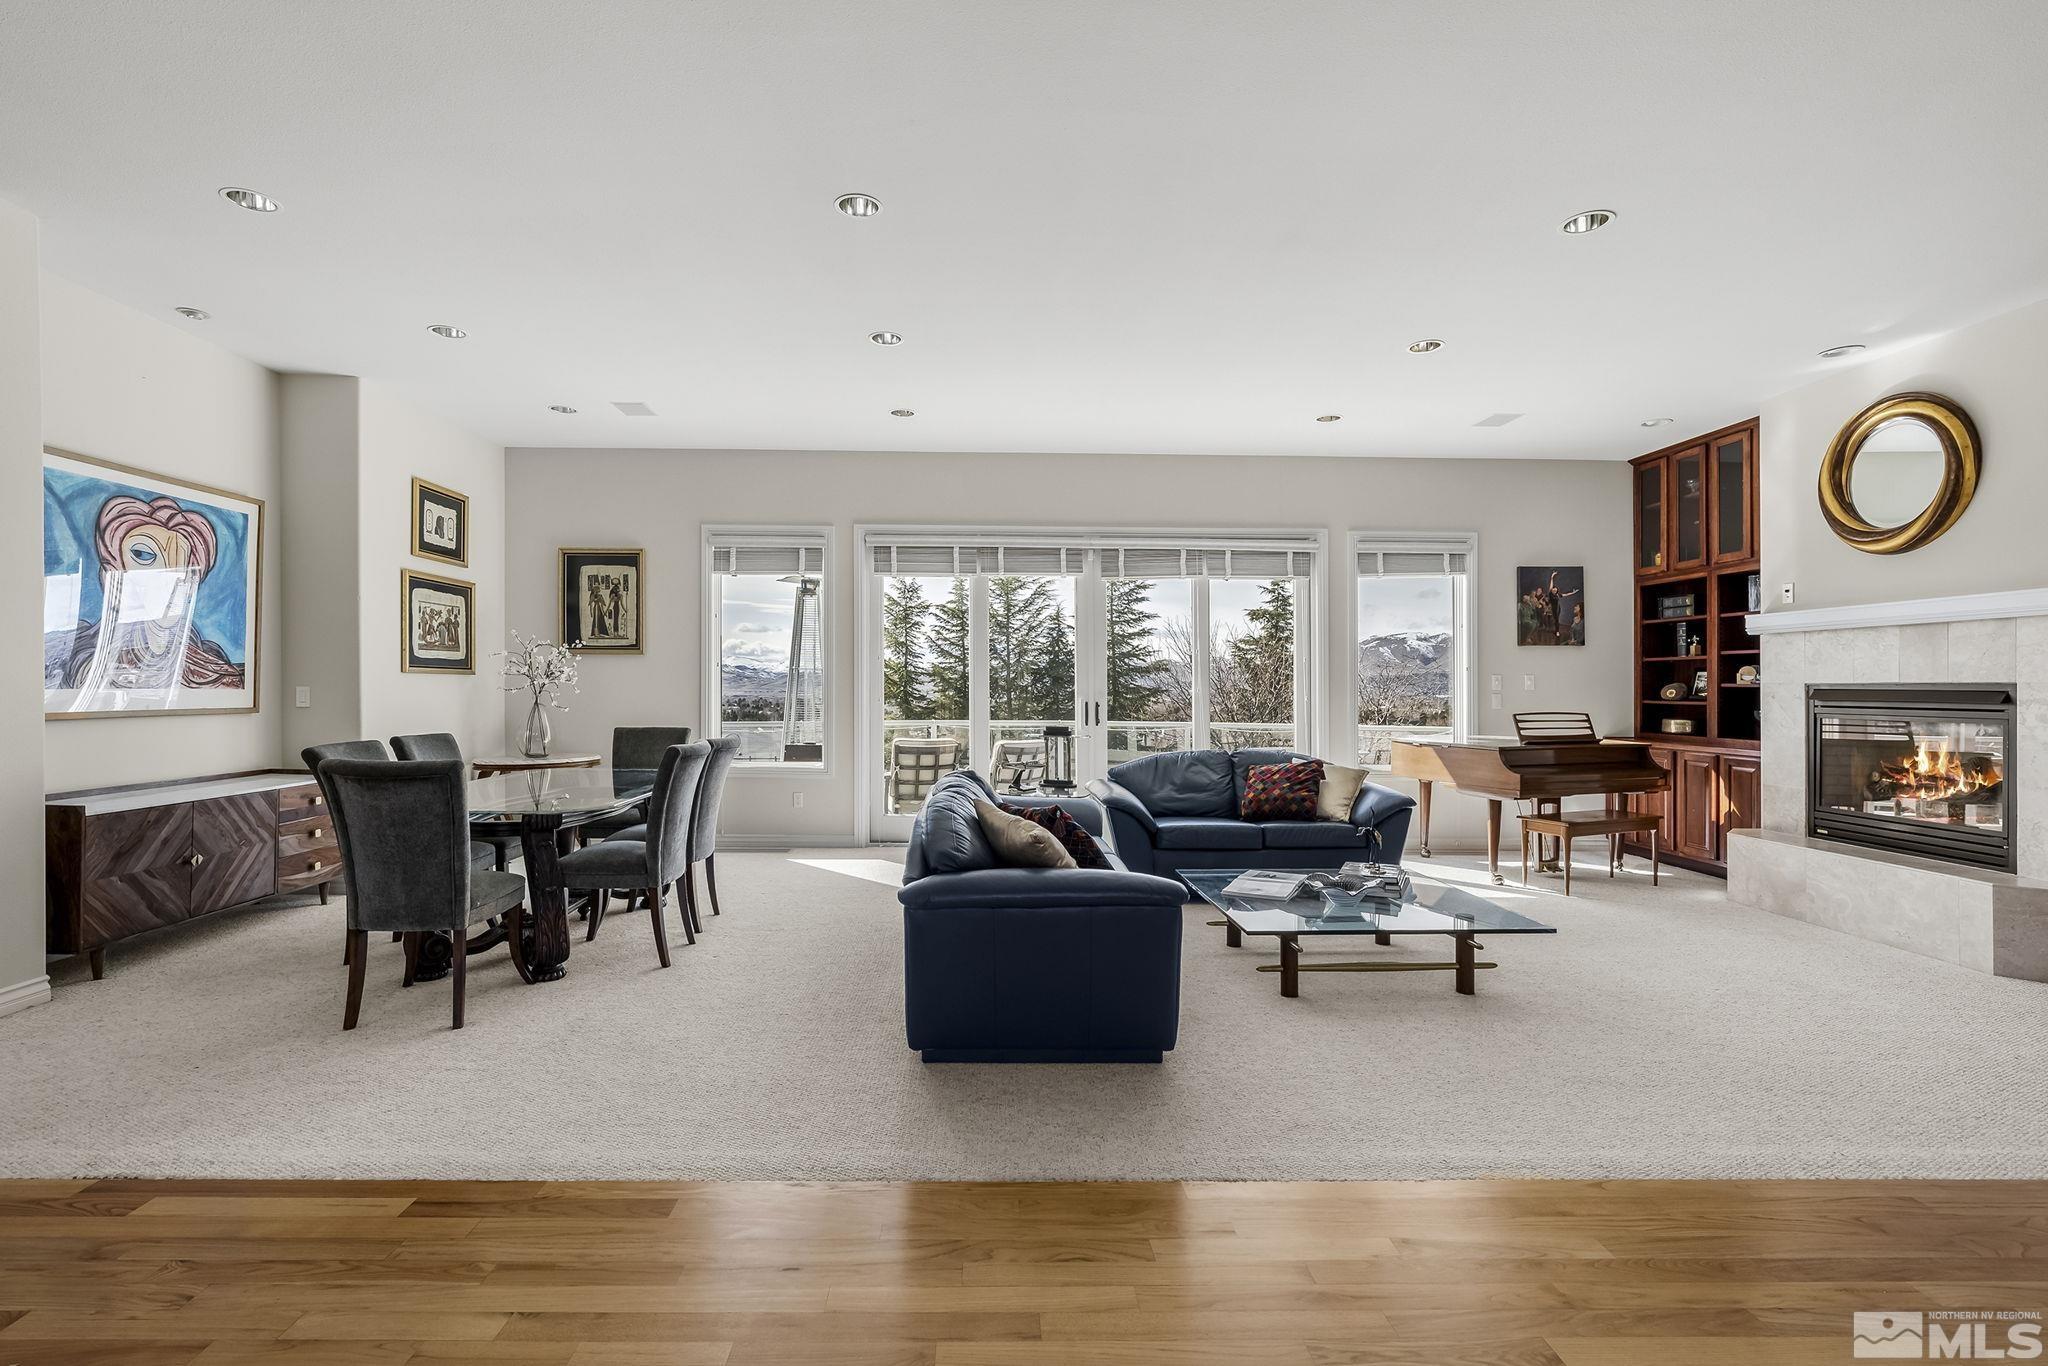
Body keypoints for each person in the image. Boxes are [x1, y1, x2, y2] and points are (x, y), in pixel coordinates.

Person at [60, 494, 244, 694]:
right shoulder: (86, 665)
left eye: (183, 567)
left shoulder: (213, 668)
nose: (172, 581)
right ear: (111, 576)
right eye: (143, 556)